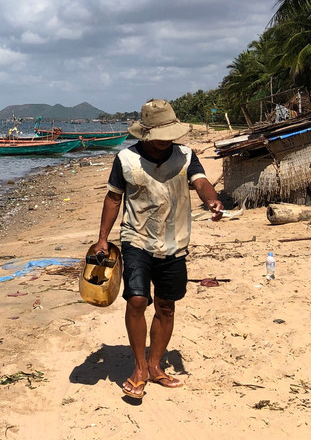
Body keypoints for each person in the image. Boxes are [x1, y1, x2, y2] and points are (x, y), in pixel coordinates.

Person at [92, 98, 223, 400]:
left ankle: (155, 365)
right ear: (146, 133)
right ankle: (139, 367)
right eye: (160, 136)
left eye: (170, 135)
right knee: (137, 300)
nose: (166, 141)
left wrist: (211, 200)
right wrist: (102, 238)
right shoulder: (126, 159)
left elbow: (201, 182)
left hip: (175, 242)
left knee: (166, 305)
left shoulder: (186, 156)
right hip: (136, 238)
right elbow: (113, 199)